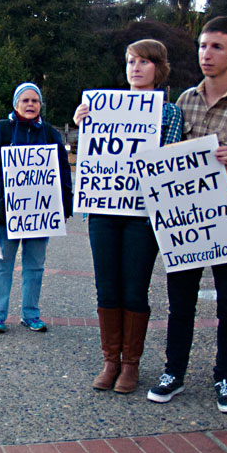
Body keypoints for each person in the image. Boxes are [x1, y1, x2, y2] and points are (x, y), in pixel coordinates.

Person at [146, 16, 227, 413]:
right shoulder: (184, 101)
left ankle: (225, 378)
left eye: (216, 47)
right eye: (202, 46)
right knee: (180, 302)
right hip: (185, 222)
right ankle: (174, 372)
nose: (206, 54)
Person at [73, 39, 183, 394]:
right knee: (106, 286)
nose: (135, 67)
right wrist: (83, 125)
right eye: (130, 61)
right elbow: (92, 158)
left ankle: (131, 364)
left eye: (144, 62)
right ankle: (110, 360)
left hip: (143, 214)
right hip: (103, 210)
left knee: (134, 288)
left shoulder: (169, 112)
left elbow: (166, 164)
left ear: (158, 68)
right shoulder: (102, 108)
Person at [0, 83, 73, 334]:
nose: (30, 105)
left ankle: (30, 314)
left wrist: (65, 206)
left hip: (41, 213)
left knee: (35, 265)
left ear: (40, 106)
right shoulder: (1, 131)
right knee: (1, 264)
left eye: (34, 101)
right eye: (25, 100)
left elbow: (62, 172)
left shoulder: (50, 134)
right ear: (16, 104)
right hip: (7, 212)